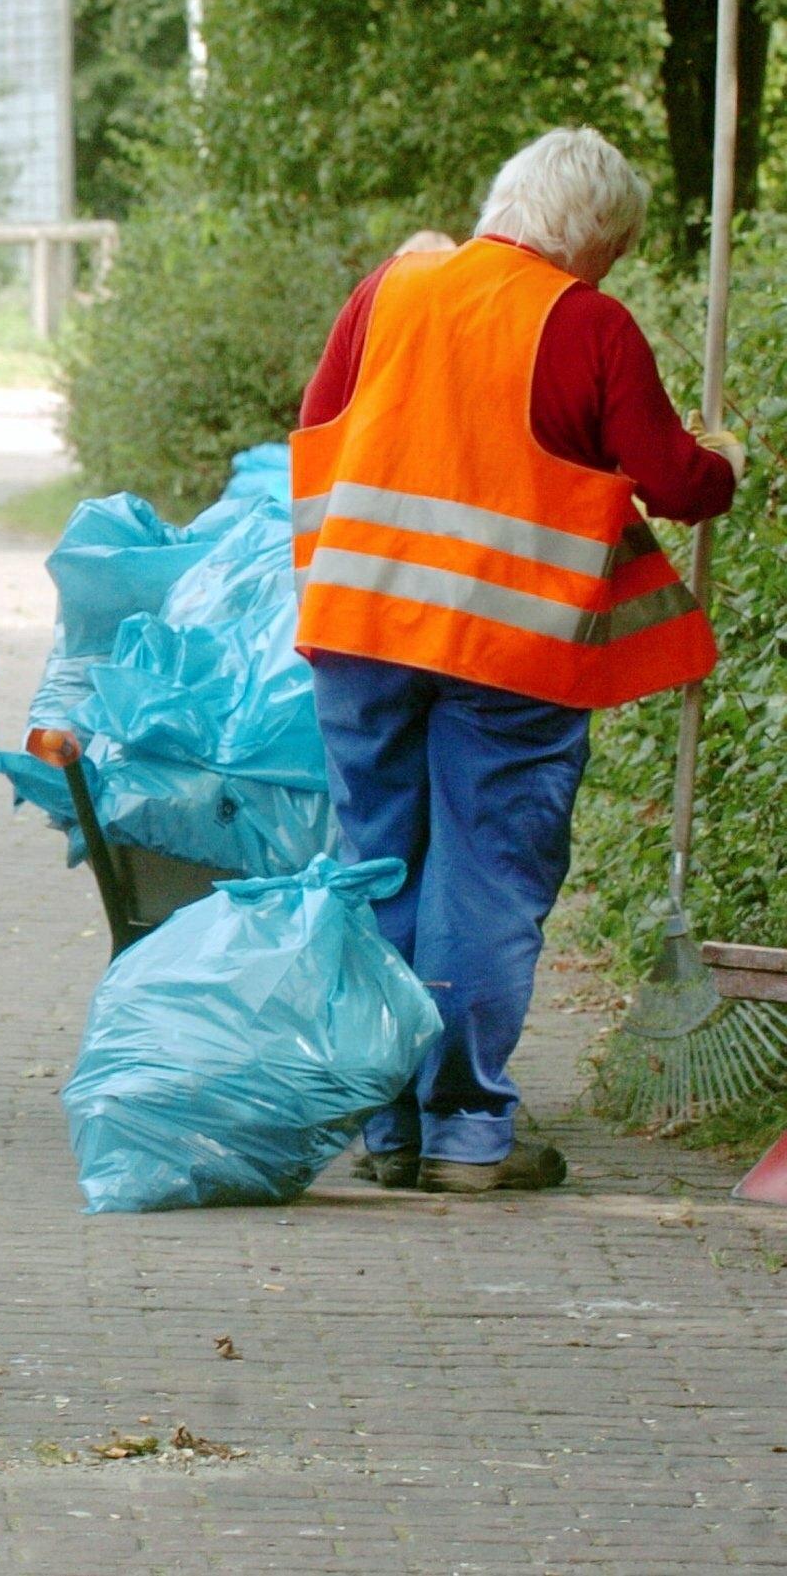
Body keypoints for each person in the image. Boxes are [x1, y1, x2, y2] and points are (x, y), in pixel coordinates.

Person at [294, 127, 740, 1194]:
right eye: (616, 250)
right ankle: (463, 1132)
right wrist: (722, 460)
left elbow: (317, 429)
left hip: (360, 629)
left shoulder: (391, 289)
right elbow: (674, 480)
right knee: (486, 878)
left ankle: (385, 1123)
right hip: (508, 646)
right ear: (598, 235)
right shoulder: (586, 322)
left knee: (378, 864)